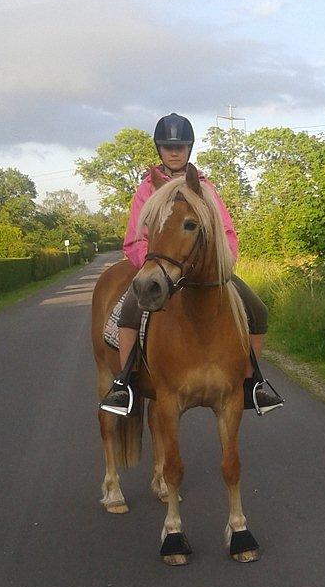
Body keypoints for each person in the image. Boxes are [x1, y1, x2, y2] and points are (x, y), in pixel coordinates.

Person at [100, 112, 283, 417]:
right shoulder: (147, 189)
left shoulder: (205, 188)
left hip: (202, 270)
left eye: (180, 146)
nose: (174, 152)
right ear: (159, 149)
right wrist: (156, 265)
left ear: (189, 148)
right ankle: (125, 384)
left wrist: (226, 262)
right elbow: (134, 238)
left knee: (257, 310)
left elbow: (226, 231)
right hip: (160, 269)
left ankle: (251, 382)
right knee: (129, 312)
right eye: (168, 147)